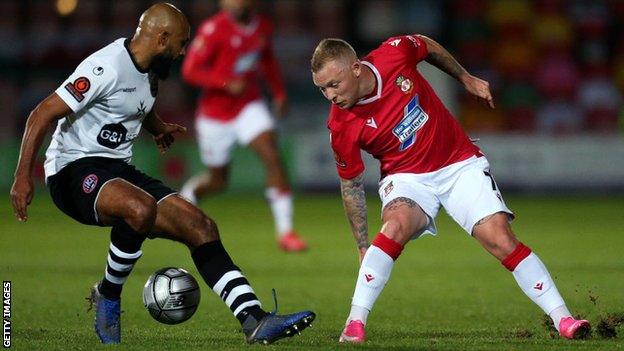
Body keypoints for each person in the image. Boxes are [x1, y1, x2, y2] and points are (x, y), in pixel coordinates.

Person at [10, 3, 314, 345]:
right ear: (162, 37)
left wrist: (156, 127)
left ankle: (255, 320)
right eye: (181, 43)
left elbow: (137, 105)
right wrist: (23, 176)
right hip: (72, 170)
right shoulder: (104, 67)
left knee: (202, 227)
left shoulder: (149, 70)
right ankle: (109, 296)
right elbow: (41, 113)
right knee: (139, 208)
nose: (184, 50)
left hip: (116, 169)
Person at [310, 35, 590, 343]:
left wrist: (465, 77)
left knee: (499, 238)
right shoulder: (341, 125)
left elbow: (426, 46)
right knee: (394, 227)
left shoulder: (393, 55)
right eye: (322, 89)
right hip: (406, 178)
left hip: (458, 164)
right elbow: (350, 185)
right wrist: (363, 246)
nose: (330, 95)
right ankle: (354, 324)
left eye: (334, 84)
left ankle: (563, 319)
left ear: (356, 68)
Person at [179, 0, 308, 252]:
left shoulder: (262, 27)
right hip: (214, 115)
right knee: (218, 181)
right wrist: (225, 83)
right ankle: (189, 193)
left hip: (249, 105)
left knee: (273, 157)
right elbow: (190, 71)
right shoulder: (213, 29)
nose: (230, 3)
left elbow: (267, 59)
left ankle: (286, 233)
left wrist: (279, 93)